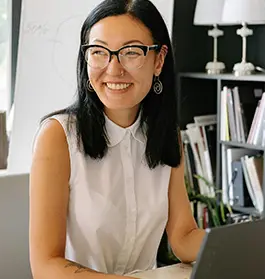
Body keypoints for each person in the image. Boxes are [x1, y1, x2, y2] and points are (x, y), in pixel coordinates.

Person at [28, 0, 206, 278]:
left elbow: (183, 236)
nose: (113, 68)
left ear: (158, 60)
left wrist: (242, 246)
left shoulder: (165, 135)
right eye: (99, 52)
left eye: (131, 52)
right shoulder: (57, 137)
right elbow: (45, 265)